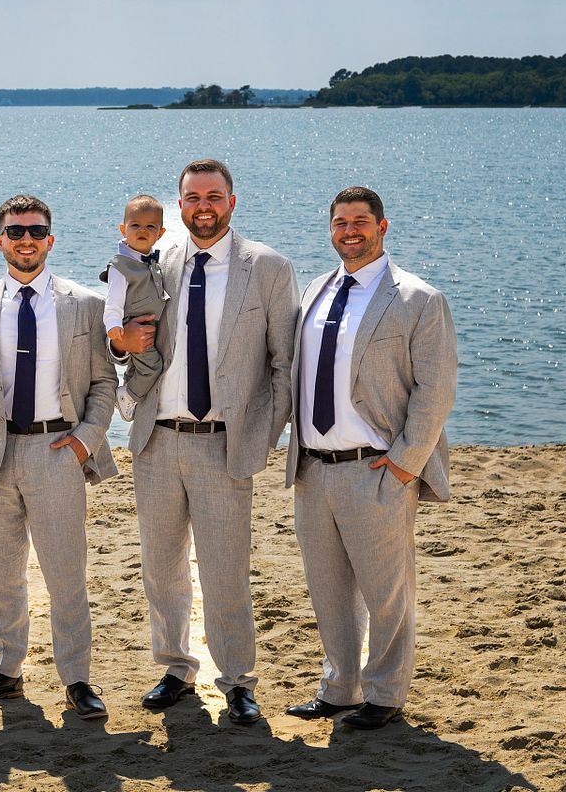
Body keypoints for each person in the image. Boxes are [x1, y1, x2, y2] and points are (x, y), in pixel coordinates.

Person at [110, 159, 298, 723]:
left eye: (214, 196)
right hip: (157, 440)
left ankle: (238, 679)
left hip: (224, 443)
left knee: (225, 568)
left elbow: (284, 365)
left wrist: (261, 437)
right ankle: (175, 668)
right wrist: (120, 348)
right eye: (192, 197)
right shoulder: (156, 261)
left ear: (232, 202)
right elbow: (126, 337)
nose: (203, 206)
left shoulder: (267, 267)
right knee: (161, 565)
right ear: (179, 205)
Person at [284, 187, 457, 730]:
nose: (349, 230)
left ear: (383, 227)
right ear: (330, 229)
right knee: (328, 588)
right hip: (313, 468)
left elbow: (436, 388)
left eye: (361, 221)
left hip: (376, 468)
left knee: (386, 591)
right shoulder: (315, 289)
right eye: (340, 222)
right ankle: (339, 687)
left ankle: (384, 694)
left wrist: (407, 462)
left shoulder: (417, 299)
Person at [0, 195, 118, 720]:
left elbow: (103, 382)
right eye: (16, 231)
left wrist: (83, 440)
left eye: (36, 231)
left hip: (56, 452)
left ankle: (77, 679)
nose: (26, 239)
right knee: (3, 575)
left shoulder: (84, 306)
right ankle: (7, 671)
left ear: (51, 238)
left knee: (66, 573)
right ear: (0, 239)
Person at [100, 194, 169, 421]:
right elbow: (114, 299)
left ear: (160, 233)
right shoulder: (120, 266)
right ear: (123, 229)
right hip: (135, 329)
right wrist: (113, 325)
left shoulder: (151, 261)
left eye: (150, 226)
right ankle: (128, 395)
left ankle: (129, 391)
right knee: (153, 367)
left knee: (139, 368)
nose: (143, 230)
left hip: (150, 328)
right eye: (135, 225)